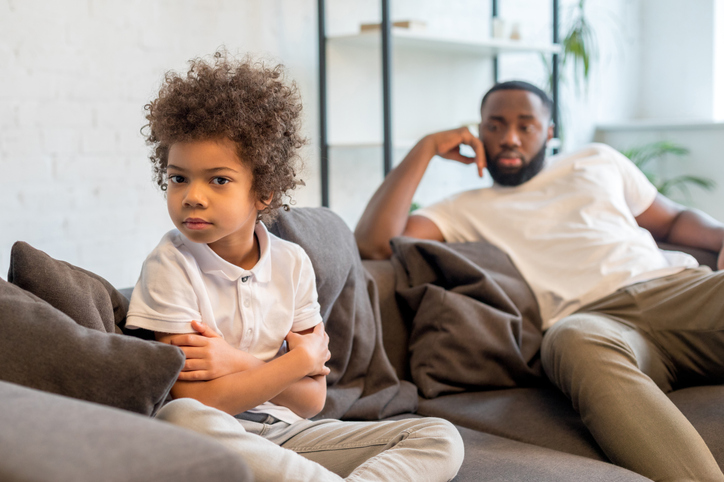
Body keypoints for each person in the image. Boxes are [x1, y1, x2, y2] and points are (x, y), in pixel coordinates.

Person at [355, 80, 724, 481]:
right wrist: (424, 148)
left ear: (549, 132)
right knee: (569, 339)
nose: (509, 138)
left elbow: (671, 219)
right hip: (602, 325)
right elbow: (373, 244)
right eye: (494, 126)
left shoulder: (597, 161)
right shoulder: (463, 209)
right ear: (478, 133)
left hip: (679, 290)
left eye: (525, 126)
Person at [125, 51, 464, 482]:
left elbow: (310, 400)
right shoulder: (170, 264)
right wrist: (295, 362)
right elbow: (201, 401)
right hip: (216, 437)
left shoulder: (293, 262)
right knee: (180, 416)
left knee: (439, 435)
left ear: (263, 191)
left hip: (290, 434)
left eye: (219, 179)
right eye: (178, 178)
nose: (193, 195)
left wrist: (233, 360)